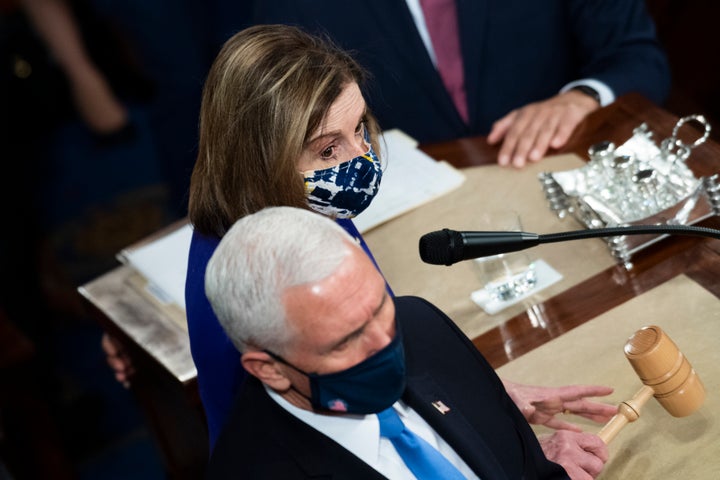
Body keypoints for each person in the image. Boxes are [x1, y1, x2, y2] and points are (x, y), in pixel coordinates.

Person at [183, 24, 617, 475]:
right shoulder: (252, 284)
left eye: (359, 129)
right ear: (262, 161)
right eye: (329, 148)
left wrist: (483, 416)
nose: (360, 158)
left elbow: (375, 346)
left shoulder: (313, 203)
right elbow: (308, 433)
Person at [203, 205, 609, 479]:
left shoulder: (421, 326)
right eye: (346, 341)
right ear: (269, 369)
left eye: (380, 306)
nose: (387, 342)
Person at [251, 0, 670, 167]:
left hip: (559, 174)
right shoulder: (284, 6)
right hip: (413, 232)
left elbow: (640, 60)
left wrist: (583, 97)